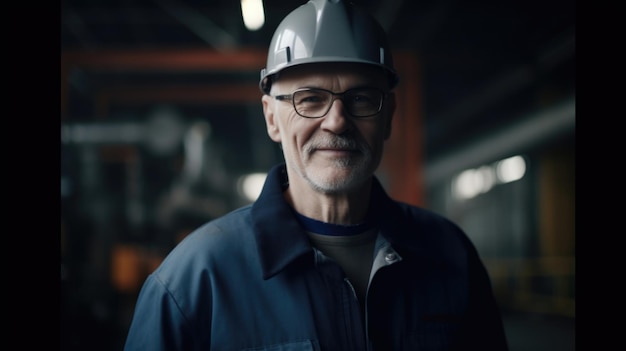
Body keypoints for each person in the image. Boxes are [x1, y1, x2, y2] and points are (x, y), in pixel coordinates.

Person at [123, 0, 509, 349]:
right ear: (272, 118)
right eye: (310, 99)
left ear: (388, 116)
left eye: (361, 99)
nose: (337, 122)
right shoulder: (194, 281)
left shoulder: (450, 255)